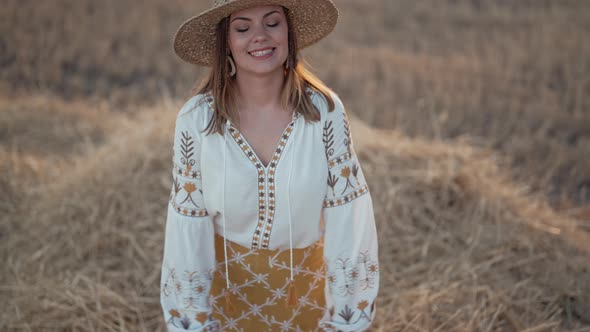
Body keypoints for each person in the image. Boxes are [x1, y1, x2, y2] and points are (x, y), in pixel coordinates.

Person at [160, 0, 379, 331]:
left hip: (308, 298)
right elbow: (187, 224)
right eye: (243, 28)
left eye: (272, 23)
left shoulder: (325, 112)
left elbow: (348, 214)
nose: (259, 36)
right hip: (223, 300)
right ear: (226, 42)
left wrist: (344, 319)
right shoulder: (197, 120)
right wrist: (193, 321)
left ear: (289, 32)